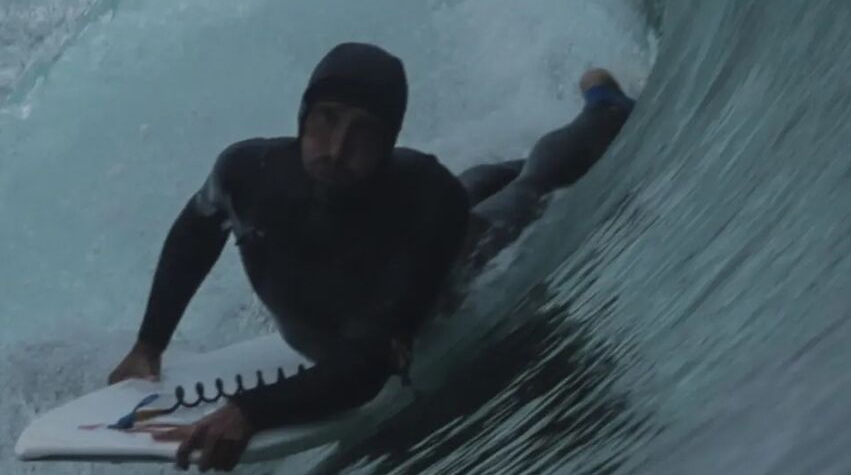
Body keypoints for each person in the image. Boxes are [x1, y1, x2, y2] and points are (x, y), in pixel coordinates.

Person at [108, 42, 636, 471]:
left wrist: (250, 411)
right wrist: (150, 341)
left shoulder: (427, 200)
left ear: (389, 141)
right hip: (400, 214)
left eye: (363, 131)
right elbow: (198, 226)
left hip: (450, 262)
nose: (337, 148)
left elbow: (368, 366)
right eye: (327, 120)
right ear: (302, 118)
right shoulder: (246, 174)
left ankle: (604, 108)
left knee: (527, 191)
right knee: (468, 185)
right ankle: (496, 169)